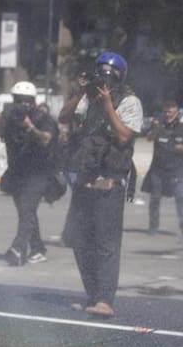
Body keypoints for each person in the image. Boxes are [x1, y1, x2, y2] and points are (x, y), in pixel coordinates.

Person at [58, 52, 143, 319]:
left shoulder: (130, 102)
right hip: (84, 182)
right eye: (100, 72)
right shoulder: (87, 99)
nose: (103, 78)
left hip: (109, 185)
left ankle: (105, 299)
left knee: (106, 245)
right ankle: (92, 295)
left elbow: (123, 135)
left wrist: (107, 105)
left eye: (108, 73)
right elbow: (63, 117)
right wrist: (80, 90)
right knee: (80, 242)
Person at [0, 81, 60, 266]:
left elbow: (46, 139)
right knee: (27, 212)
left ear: (32, 101)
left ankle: (18, 249)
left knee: (26, 210)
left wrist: (29, 126)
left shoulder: (42, 117)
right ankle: (38, 249)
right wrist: (5, 119)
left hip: (38, 173)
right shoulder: (10, 118)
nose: (22, 104)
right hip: (17, 172)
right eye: (18, 100)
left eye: (25, 101)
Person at [142, 99, 183, 236]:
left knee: (180, 197)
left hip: (177, 169)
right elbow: (149, 139)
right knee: (155, 198)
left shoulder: (181, 126)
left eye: (171, 111)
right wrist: (156, 129)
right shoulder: (159, 124)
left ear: (176, 111)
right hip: (158, 168)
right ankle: (153, 227)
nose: (168, 114)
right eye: (166, 111)